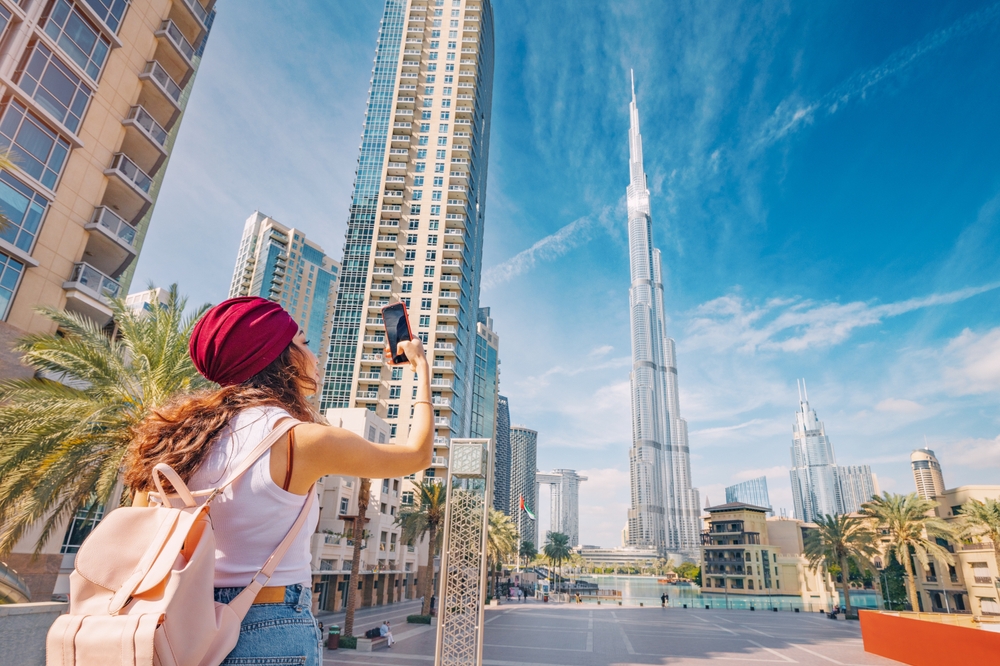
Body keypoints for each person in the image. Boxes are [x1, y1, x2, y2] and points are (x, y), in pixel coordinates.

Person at [126, 297, 433, 666]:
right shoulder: (301, 439)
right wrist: (421, 371)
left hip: (173, 625)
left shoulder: (174, 441)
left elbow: (138, 536)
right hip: (268, 628)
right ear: (278, 356)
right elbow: (416, 455)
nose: (314, 354)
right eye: (303, 342)